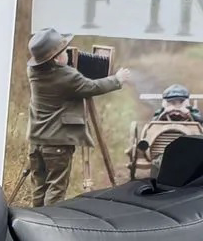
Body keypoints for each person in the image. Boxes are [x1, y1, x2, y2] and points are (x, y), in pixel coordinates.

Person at [26, 27, 130, 207]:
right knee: (56, 188)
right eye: (64, 51)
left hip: (36, 141)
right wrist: (117, 79)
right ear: (56, 59)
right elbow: (92, 87)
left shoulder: (33, 72)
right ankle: (52, 219)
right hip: (57, 143)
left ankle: (35, 217)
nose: (67, 52)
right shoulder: (66, 76)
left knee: (39, 187)